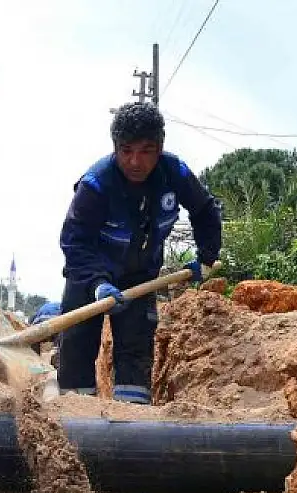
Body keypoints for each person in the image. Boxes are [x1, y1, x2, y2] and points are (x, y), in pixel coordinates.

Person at [56, 102, 222, 404]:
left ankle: (130, 430)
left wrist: (207, 256)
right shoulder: (95, 185)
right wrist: (97, 284)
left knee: (135, 356)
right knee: (76, 354)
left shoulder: (176, 174)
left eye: (146, 151)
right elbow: (74, 242)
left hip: (139, 280)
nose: (135, 161)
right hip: (89, 279)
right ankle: (73, 425)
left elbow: (205, 210)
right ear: (115, 149)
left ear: (159, 149)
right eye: (126, 150)